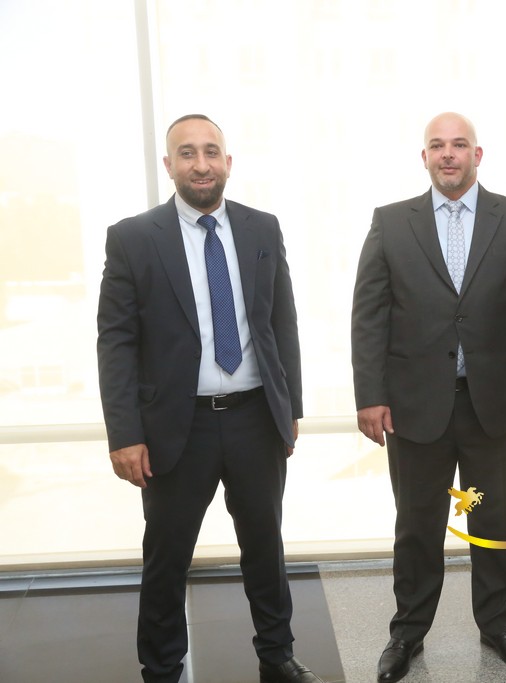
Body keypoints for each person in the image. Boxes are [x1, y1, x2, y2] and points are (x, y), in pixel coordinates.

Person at [97, 115, 322, 683]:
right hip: (177, 428)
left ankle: (277, 655)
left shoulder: (261, 228)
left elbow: (282, 322)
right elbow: (116, 342)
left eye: (211, 152)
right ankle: (161, 668)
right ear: (168, 164)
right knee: (167, 557)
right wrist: (125, 433)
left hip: (255, 419)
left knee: (265, 549)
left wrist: (289, 408)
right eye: (187, 153)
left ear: (228, 162)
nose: (201, 164)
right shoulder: (133, 238)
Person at [351, 112, 506, 683]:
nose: (449, 154)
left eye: (459, 145)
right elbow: (368, 316)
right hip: (414, 404)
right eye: (438, 146)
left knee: (494, 519)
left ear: (477, 155)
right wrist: (370, 395)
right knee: (417, 524)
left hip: (497, 404)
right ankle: (407, 632)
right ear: (424, 157)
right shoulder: (390, 223)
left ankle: (497, 624)